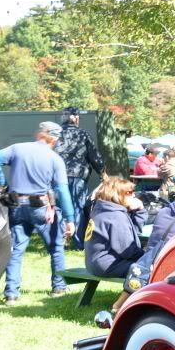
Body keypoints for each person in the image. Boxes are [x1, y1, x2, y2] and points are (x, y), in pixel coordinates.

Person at [0, 121, 75, 305]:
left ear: (39, 134)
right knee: (56, 248)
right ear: (55, 139)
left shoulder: (18, 148)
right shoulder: (55, 159)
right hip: (41, 207)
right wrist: (70, 218)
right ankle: (58, 287)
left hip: (16, 205)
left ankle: (11, 293)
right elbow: (62, 190)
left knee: (16, 250)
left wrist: (2, 182)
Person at [55, 107, 105, 250]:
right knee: (77, 208)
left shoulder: (55, 135)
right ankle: (78, 243)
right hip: (77, 177)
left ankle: (59, 241)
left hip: (57, 177)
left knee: (59, 208)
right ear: (76, 119)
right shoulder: (83, 134)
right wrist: (103, 173)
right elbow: (94, 156)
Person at [84, 176, 145, 278]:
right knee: (150, 269)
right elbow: (128, 250)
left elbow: (134, 233)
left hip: (95, 264)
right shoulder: (115, 216)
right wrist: (146, 257)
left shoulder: (102, 210)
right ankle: (133, 294)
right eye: (129, 192)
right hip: (109, 265)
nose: (134, 195)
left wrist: (140, 210)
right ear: (117, 194)